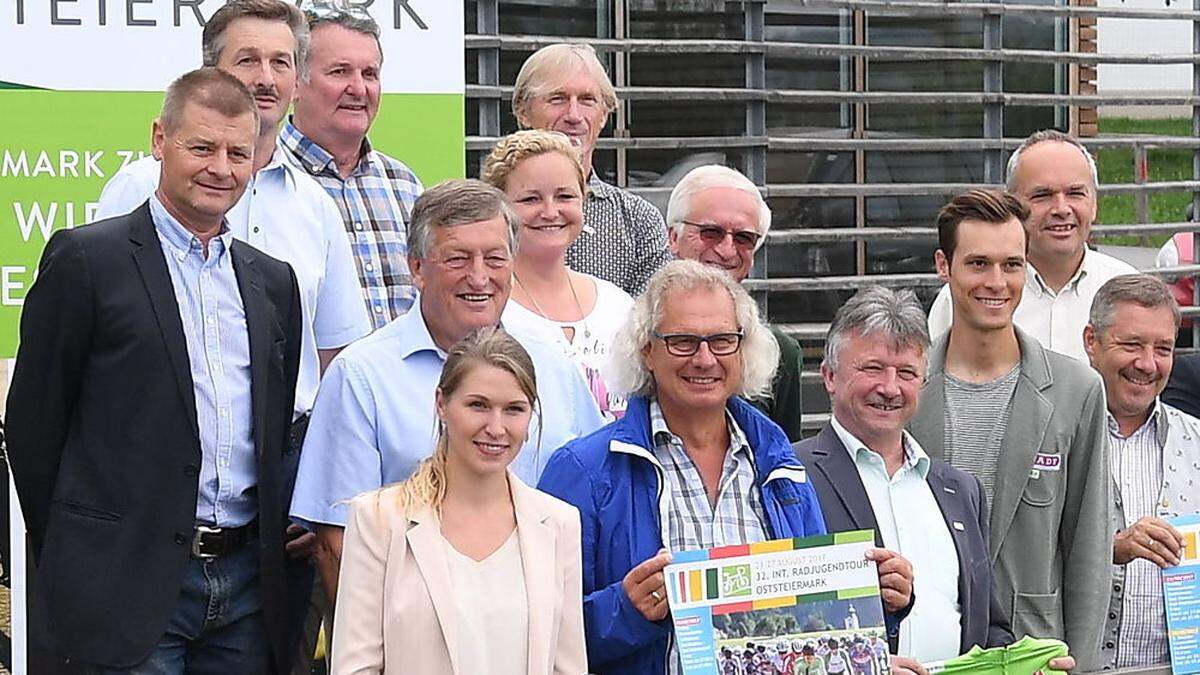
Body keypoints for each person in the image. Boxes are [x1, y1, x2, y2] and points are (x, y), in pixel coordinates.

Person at [5, 69, 305, 673]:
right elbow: (34, 425)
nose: (220, 167)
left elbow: (272, 430)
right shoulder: (87, 260)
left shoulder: (273, 281)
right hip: (124, 582)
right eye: (202, 147)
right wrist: (80, 548)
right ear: (159, 139)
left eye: (237, 153)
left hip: (247, 586)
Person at [538, 260, 911, 674]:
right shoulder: (584, 471)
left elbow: (815, 623)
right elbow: (540, 634)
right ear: (647, 351)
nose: (704, 359)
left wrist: (879, 598)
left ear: (742, 348)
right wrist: (625, 610)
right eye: (682, 341)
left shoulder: (780, 467)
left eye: (721, 341)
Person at [290, 179, 604, 605]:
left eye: (495, 258)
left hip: (542, 623)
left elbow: (594, 496)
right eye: (457, 258)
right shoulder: (361, 377)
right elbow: (338, 542)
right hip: (418, 632)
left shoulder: (553, 364)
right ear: (416, 268)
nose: (480, 277)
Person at [95, 0, 370, 457]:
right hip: (149, 458)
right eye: (248, 60)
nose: (265, 78)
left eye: (280, 62)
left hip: (283, 463)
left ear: (297, 81)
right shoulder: (140, 187)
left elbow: (337, 357)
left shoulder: (316, 208)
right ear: (211, 72)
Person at [909, 189, 1111, 669]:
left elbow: (1089, 549)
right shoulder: (906, 388)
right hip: (928, 655)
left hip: (1035, 655)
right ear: (944, 265)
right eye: (978, 264)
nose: (996, 282)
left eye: (1011, 265)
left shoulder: (1076, 390)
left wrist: (1077, 662)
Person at [330, 327, 587, 674]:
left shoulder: (558, 523)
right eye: (478, 405)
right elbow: (356, 666)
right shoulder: (378, 519)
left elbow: (566, 666)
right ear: (442, 404)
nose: (496, 428)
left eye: (513, 409)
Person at [927, 130, 1137, 362]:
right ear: (1013, 204)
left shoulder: (1128, 291)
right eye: (1042, 195)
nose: (1061, 209)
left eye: (1075, 193)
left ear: (1094, 204)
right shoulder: (967, 297)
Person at [280, 0, 424, 328]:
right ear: (296, 83)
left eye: (369, 74)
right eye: (340, 71)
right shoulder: (264, 179)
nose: (358, 88)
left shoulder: (404, 185)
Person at [1083, 274, 1198, 669]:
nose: (1147, 364)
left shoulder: (1197, 442)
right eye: (1131, 345)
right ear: (1091, 343)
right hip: (1077, 666)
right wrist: (1109, 549)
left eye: (1162, 349)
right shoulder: (1052, 439)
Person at [483, 129, 634, 419]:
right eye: (530, 199)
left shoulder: (620, 306)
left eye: (564, 196)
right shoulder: (486, 310)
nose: (550, 211)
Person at [512, 43, 672, 295]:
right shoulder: (491, 211)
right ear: (523, 111)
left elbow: (648, 324)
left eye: (587, 100)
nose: (573, 115)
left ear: (604, 115)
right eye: (557, 99)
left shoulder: (639, 222)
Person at [667, 164, 804, 441]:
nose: (727, 250)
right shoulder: (634, 335)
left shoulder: (779, 353)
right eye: (711, 232)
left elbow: (785, 463)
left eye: (743, 238)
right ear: (674, 237)